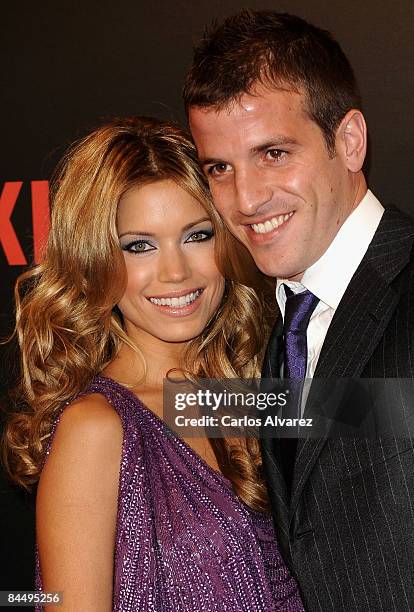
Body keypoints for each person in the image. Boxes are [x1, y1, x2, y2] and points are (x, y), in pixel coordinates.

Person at [2, 117, 305, 611]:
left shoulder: (248, 395)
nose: (176, 272)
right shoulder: (95, 429)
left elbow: (389, 416)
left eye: (196, 235)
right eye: (139, 245)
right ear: (96, 260)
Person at [184, 9, 414, 611]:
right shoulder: (267, 324)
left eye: (274, 154)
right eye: (220, 169)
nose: (247, 199)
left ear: (350, 141)